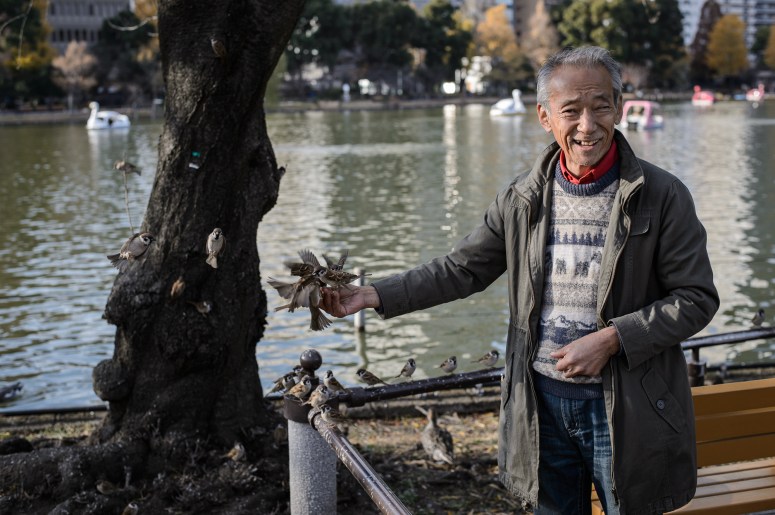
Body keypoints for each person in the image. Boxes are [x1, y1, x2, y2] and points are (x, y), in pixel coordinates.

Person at [320, 46, 719, 514]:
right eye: (571, 111)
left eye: (600, 107)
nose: (587, 125)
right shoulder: (522, 198)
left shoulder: (663, 194)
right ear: (545, 117)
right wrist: (372, 294)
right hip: (540, 404)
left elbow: (696, 298)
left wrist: (612, 339)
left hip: (626, 408)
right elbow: (462, 269)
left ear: (619, 107)